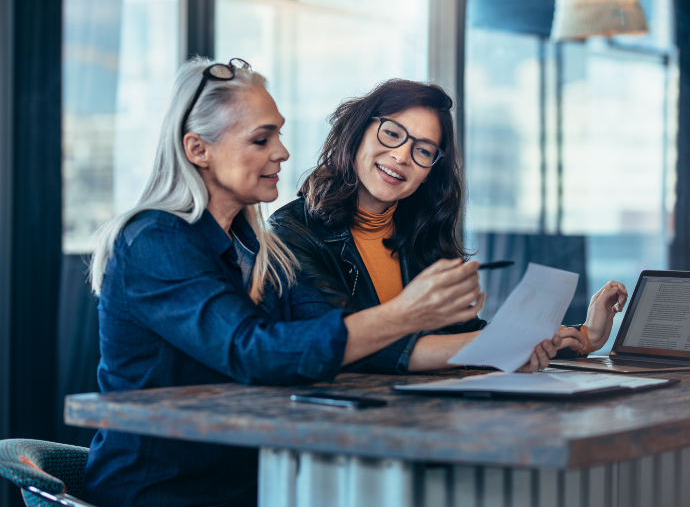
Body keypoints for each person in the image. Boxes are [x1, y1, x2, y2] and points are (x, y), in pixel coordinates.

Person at [82, 59, 563, 507]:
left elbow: (333, 333)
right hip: (164, 490)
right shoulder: (153, 240)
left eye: (280, 136)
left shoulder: (254, 245)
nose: (283, 152)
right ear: (197, 149)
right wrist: (407, 313)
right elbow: (254, 352)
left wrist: (517, 342)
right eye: (261, 140)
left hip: (254, 477)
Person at [269, 79, 628, 368]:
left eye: (423, 150)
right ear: (357, 131)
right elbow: (350, 344)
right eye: (392, 133)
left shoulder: (420, 234)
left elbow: (462, 335)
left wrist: (584, 336)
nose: (401, 156)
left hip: (425, 417)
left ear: (429, 173)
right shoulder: (291, 232)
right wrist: (503, 345)